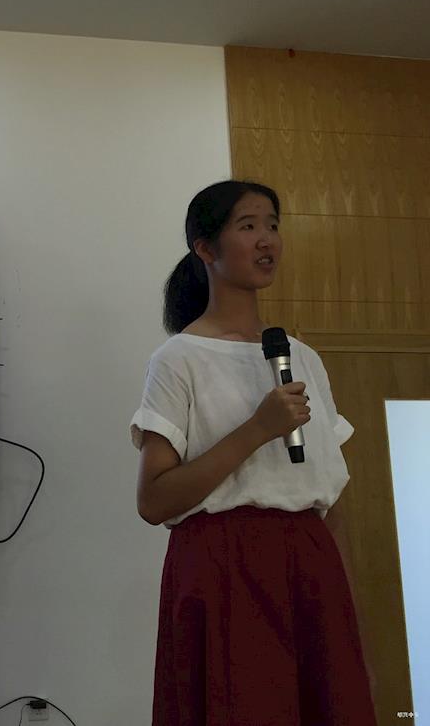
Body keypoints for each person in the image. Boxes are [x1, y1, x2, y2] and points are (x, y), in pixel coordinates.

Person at [130, 180, 377, 725]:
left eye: (272, 225)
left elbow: (330, 500)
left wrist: (349, 616)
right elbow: (154, 500)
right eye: (248, 226)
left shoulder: (303, 358)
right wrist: (257, 430)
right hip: (222, 566)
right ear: (205, 248)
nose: (267, 239)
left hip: (311, 562)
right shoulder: (177, 359)